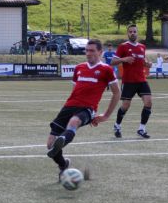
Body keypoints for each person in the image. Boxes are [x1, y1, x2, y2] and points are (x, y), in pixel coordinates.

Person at [46, 39, 120, 179]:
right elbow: (75, 91)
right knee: (50, 144)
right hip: (69, 107)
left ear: (100, 52)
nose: (88, 53)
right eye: (86, 50)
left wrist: (106, 115)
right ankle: (63, 164)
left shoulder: (106, 70)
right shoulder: (79, 68)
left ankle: (62, 140)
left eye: (92, 51)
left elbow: (117, 93)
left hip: (88, 108)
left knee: (74, 122)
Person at [110, 25, 153, 139]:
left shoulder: (142, 47)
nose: (133, 33)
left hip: (141, 80)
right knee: (125, 106)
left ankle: (141, 129)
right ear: (127, 34)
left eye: (134, 31)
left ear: (137, 33)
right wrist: (124, 59)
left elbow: (142, 61)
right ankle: (117, 125)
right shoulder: (123, 47)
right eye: (130, 32)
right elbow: (113, 61)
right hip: (129, 81)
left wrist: (147, 64)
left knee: (148, 102)